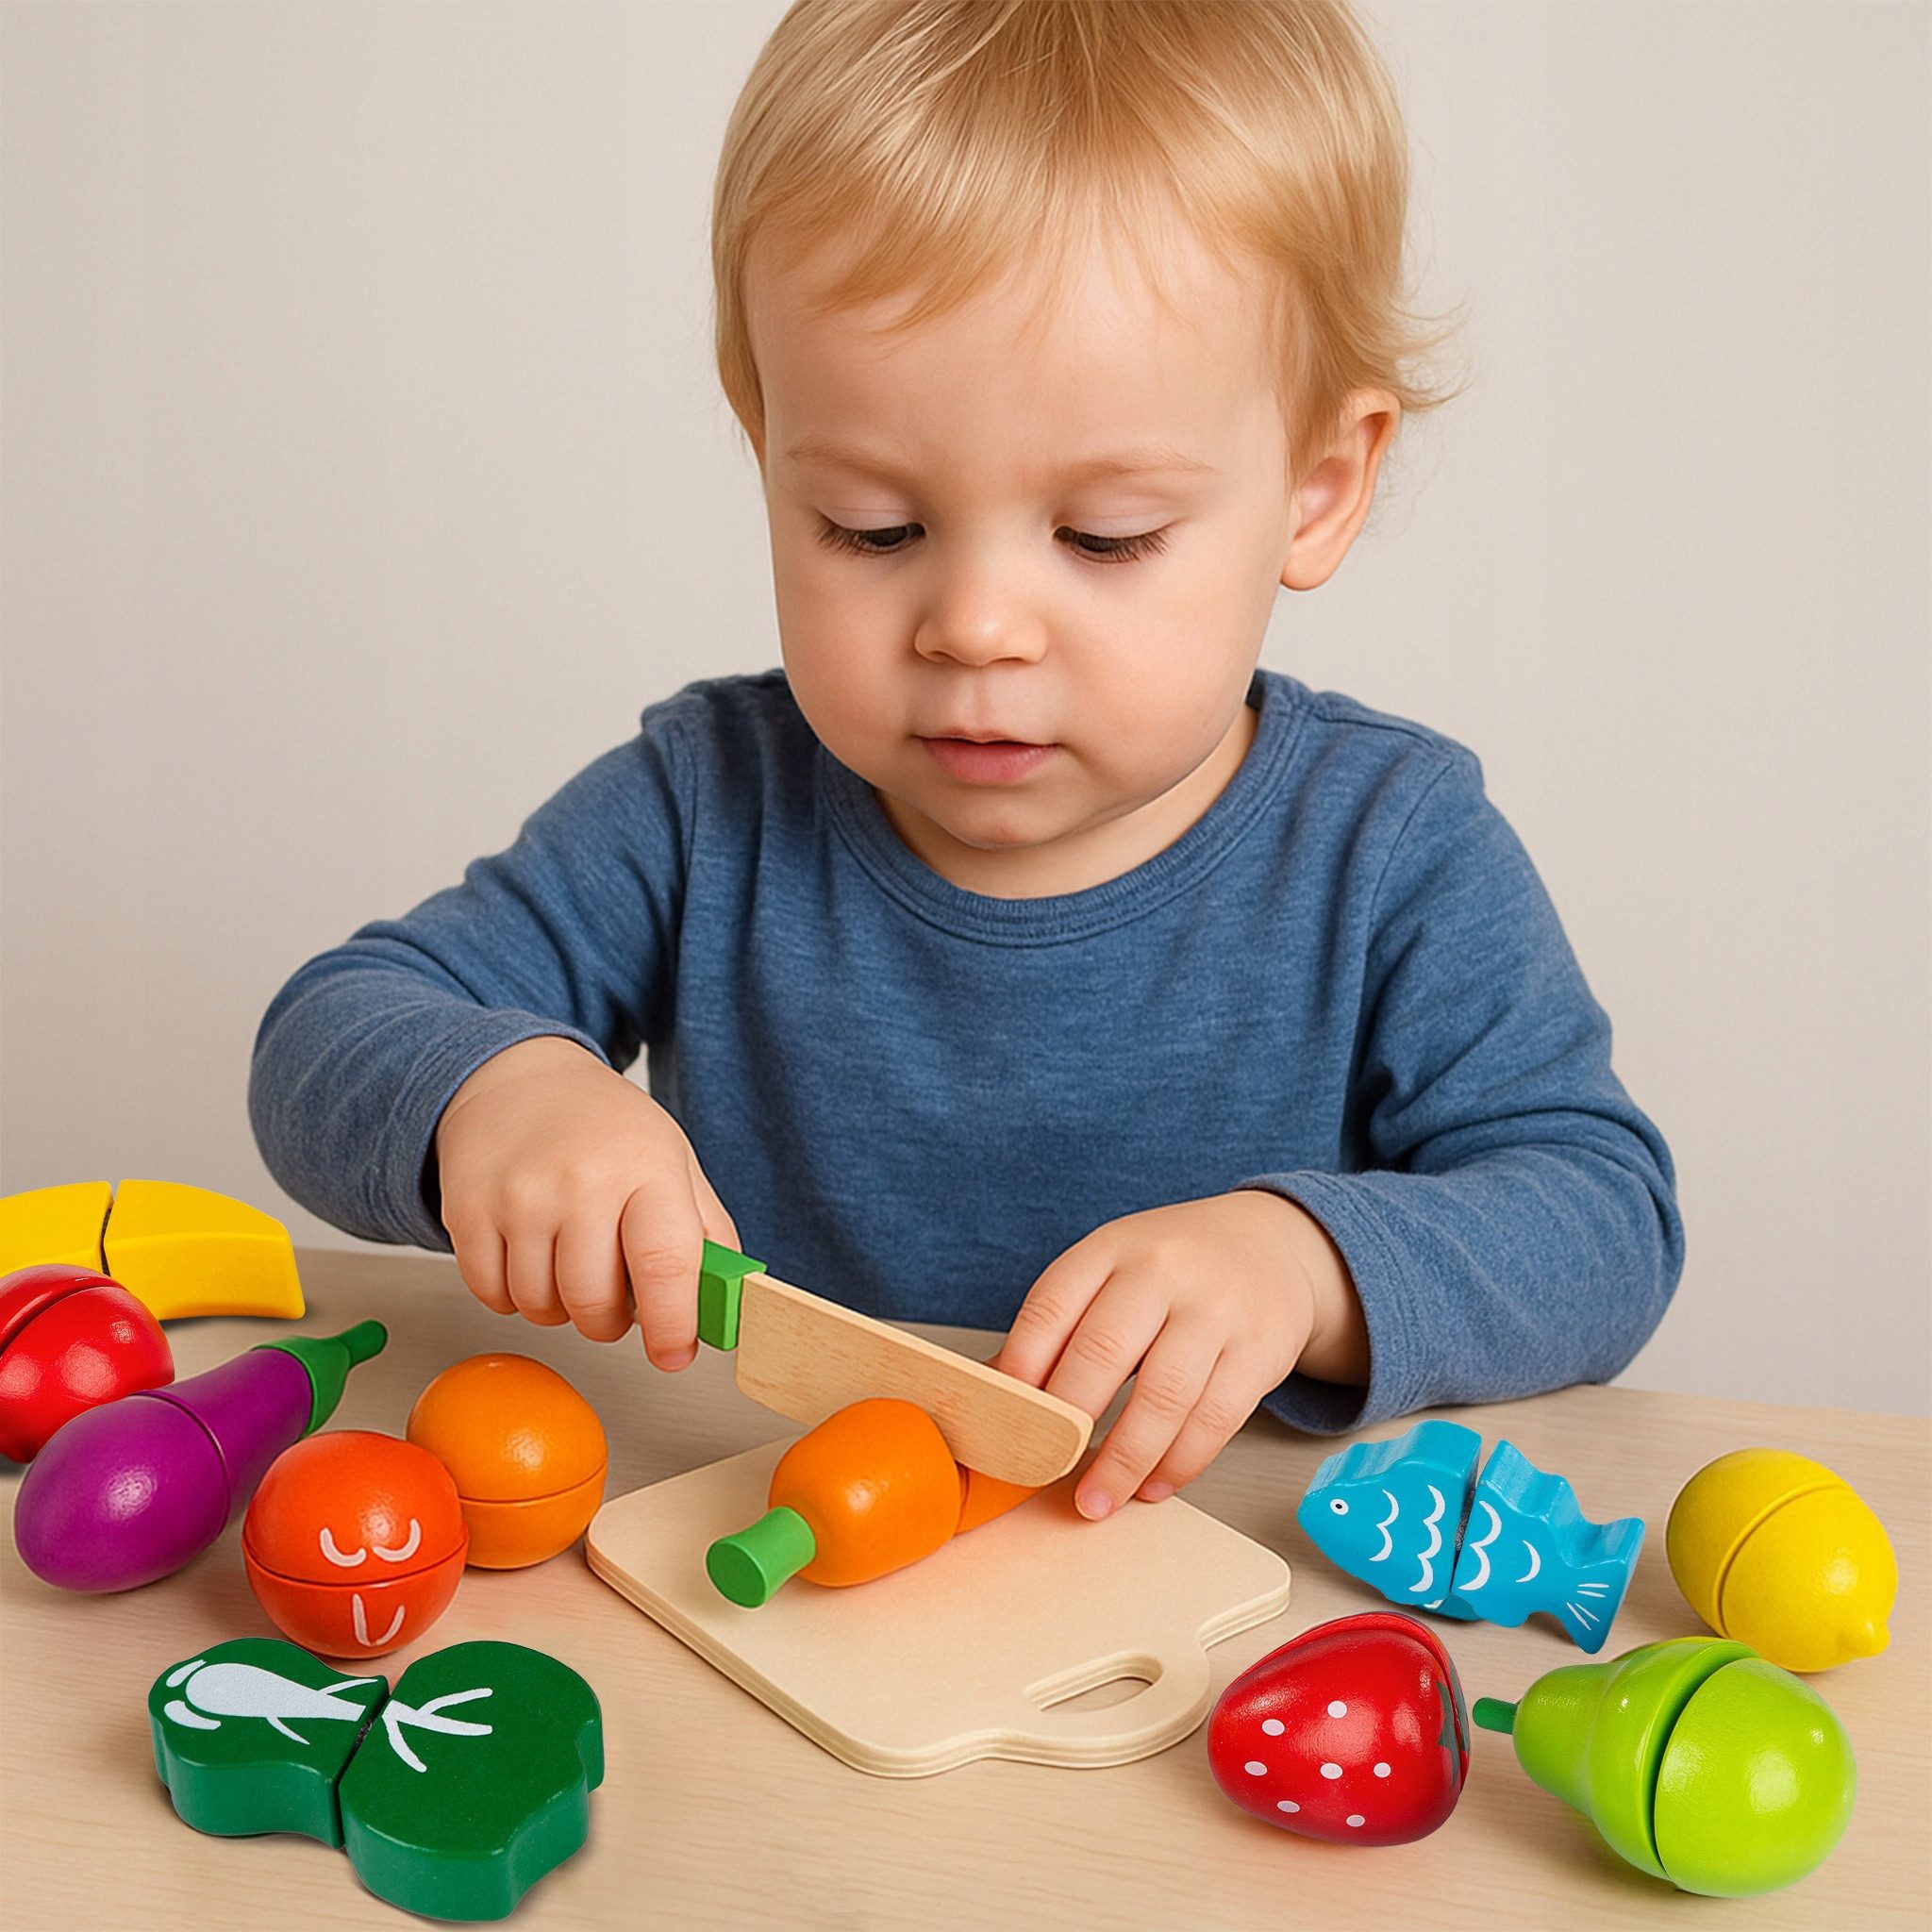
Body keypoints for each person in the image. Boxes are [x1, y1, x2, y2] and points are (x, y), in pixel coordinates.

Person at [250, 0, 1682, 1524]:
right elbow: (324, 1033)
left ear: (1318, 489)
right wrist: (503, 1091)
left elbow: (1603, 1222)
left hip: (1211, 1606)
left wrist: (1307, 1264)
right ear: (766, 441)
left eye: (1103, 536)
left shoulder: (1390, 851)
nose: (977, 626)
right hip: (776, 1571)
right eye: (872, 527)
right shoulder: (700, 803)